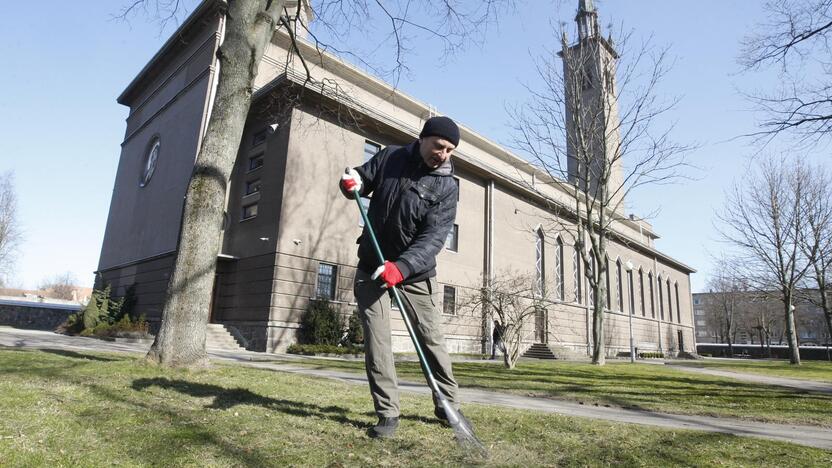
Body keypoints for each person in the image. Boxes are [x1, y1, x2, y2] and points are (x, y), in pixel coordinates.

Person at [339, 116, 467, 439]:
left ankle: (446, 403)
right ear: (423, 138)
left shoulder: (447, 186)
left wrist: (402, 267)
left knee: (431, 340)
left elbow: (433, 239)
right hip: (372, 266)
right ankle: (387, 413)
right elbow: (363, 179)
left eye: (450, 150)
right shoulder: (391, 157)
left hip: (414, 274)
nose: (444, 154)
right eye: (439, 146)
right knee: (377, 342)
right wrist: (352, 182)